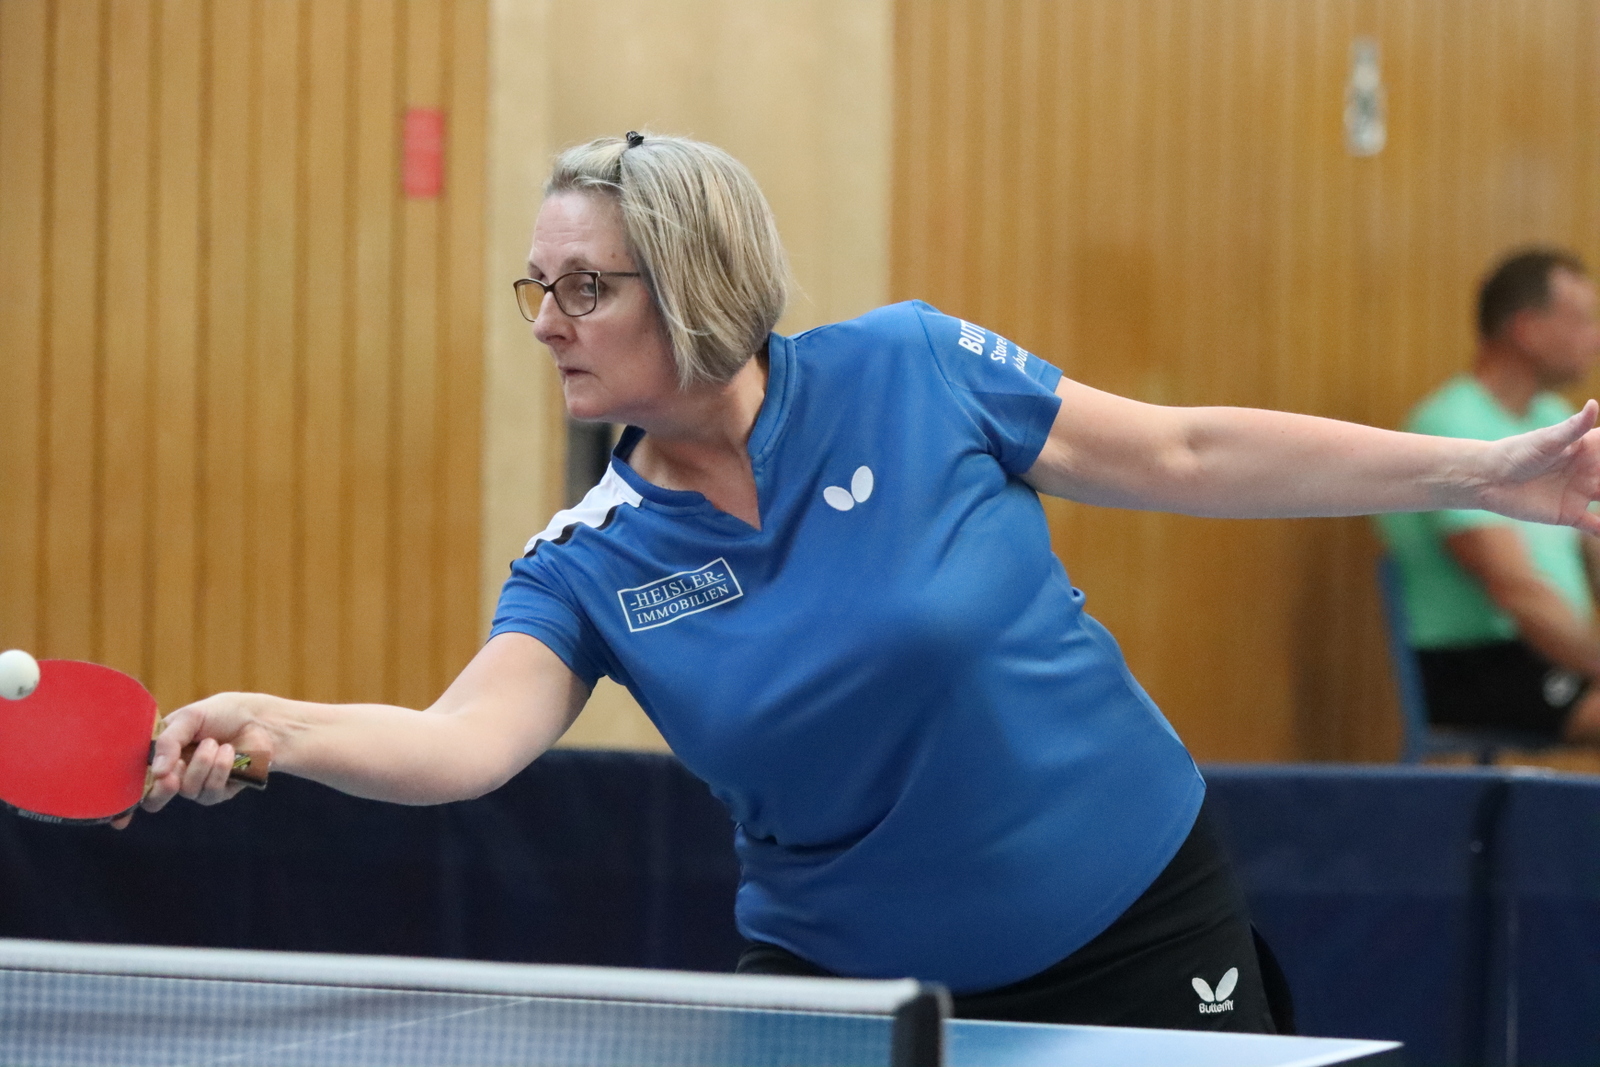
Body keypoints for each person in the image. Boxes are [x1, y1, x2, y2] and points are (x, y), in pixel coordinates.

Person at [143, 134, 1600, 1032]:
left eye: (586, 286)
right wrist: (280, 725)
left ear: (694, 276)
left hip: (1135, 925)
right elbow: (459, 741)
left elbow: (1184, 448)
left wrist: (1486, 471)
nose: (549, 322)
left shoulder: (914, 367)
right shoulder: (590, 558)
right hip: (853, 990)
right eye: (540, 287)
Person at [1378, 249, 1600, 744]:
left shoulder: (1555, 418)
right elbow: (1516, 590)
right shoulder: (1451, 426)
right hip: (1480, 663)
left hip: (1553, 655)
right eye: (1582, 320)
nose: (1596, 337)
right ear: (1527, 329)